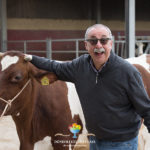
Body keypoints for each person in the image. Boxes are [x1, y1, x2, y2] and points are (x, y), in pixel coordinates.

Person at [25, 24, 150, 150]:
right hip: (94, 139)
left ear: (110, 44)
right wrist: (31, 58)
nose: (98, 45)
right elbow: (55, 67)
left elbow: (146, 109)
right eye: (93, 41)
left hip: (121, 143)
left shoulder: (127, 72)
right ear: (86, 45)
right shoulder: (80, 66)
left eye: (103, 40)